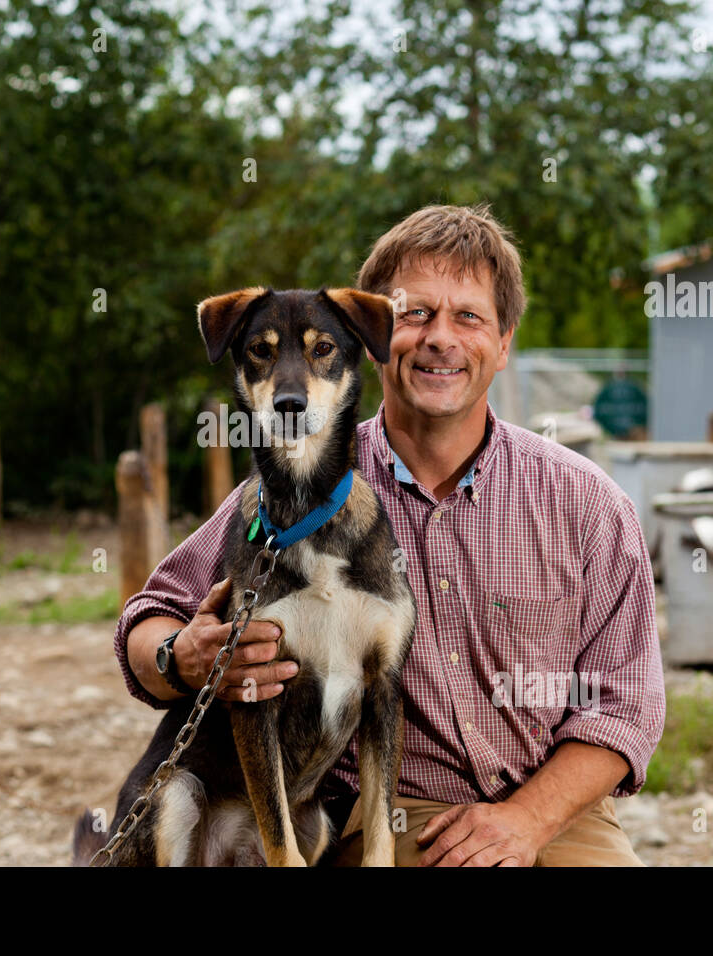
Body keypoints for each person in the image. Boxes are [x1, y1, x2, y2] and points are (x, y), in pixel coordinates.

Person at [114, 203, 665, 866]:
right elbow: (148, 621)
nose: (441, 338)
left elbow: (625, 706)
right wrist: (185, 655)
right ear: (373, 336)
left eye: (468, 316)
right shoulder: (296, 492)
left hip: (555, 814)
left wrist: (525, 821)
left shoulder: (588, 503)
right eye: (416, 313)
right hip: (394, 820)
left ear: (504, 340)